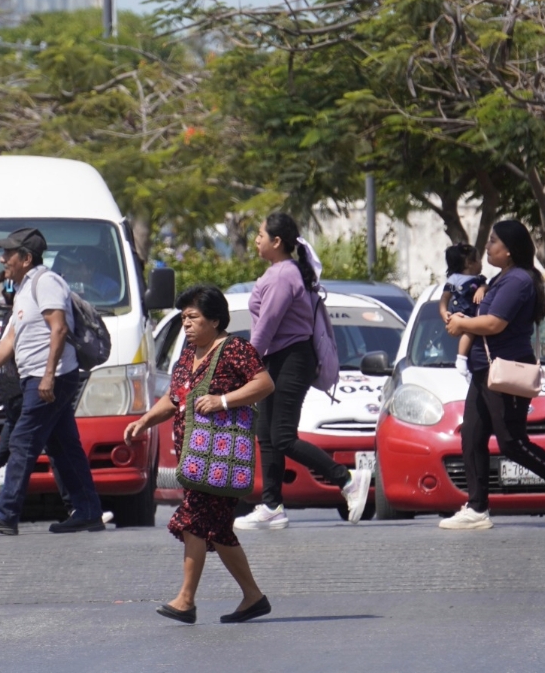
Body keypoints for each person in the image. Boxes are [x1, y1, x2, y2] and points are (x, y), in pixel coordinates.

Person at [123, 285, 275, 624]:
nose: (187, 325)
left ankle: (186, 599)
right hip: (194, 461)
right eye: (183, 319)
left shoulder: (234, 349)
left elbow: (264, 384)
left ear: (214, 320)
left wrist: (223, 400)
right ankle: (253, 596)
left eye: (193, 318)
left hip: (220, 460)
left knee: (195, 520)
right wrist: (146, 420)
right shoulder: (186, 357)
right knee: (216, 528)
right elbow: (175, 399)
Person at [443, 220, 545, 530]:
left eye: (493, 242)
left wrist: (462, 325)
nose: (487, 247)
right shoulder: (502, 278)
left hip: (505, 370)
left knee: (512, 442)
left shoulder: (518, 281)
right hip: (485, 370)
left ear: (510, 250)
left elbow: (494, 324)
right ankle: (477, 508)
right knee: (472, 436)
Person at [235, 213, 371, 530]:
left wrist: (245, 362)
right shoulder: (280, 272)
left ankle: (347, 479)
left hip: (290, 359)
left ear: (277, 242)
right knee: (266, 435)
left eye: (260, 234)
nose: (256, 239)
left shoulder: (284, 275)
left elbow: (267, 324)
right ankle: (271, 506)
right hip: (277, 359)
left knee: (282, 437)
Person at [0, 228, 104, 535]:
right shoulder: (23, 289)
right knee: (64, 447)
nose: (3, 259)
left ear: (26, 258)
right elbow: (10, 340)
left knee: (22, 442)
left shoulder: (46, 282)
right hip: (36, 378)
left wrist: (49, 375)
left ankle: (4, 511)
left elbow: (59, 329)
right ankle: (89, 511)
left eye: (9, 254)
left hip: (49, 377)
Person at [439, 243, 488, 381]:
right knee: (470, 330)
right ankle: (461, 358)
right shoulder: (454, 279)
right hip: (461, 312)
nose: (481, 263)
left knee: (471, 329)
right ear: (468, 263)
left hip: (473, 313)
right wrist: (444, 312)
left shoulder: (479, 280)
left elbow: (486, 286)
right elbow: (445, 297)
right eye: (478, 259)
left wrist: (482, 289)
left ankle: (465, 362)